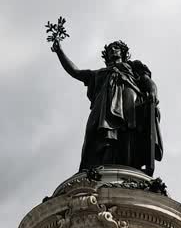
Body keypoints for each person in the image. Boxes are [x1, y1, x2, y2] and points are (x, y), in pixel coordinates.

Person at [52, 39, 163, 174]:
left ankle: (129, 165)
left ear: (123, 52)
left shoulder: (133, 67)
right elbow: (75, 72)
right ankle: (99, 167)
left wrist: (152, 92)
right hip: (102, 107)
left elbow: (148, 81)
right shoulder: (98, 73)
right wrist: (59, 52)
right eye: (110, 48)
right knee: (98, 134)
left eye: (115, 47)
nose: (112, 50)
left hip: (128, 101)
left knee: (128, 132)